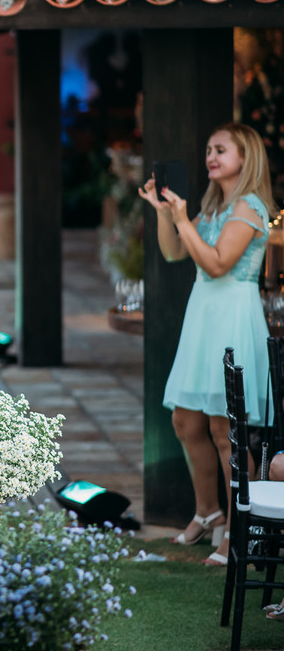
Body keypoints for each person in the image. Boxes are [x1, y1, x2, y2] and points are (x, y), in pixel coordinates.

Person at [140, 122, 276, 567]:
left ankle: (241, 530)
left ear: (245, 157)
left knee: (226, 431)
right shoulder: (215, 205)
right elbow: (176, 252)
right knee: (185, 421)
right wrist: (165, 213)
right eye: (208, 150)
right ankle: (208, 510)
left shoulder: (250, 208)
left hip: (232, 318)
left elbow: (217, 265)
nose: (210, 157)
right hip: (203, 319)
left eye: (221, 150)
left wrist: (182, 220)